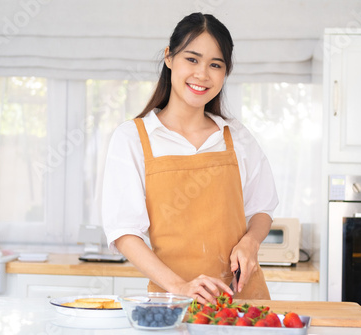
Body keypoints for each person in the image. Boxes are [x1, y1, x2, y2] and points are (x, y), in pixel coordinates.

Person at [102, 12, 278, 304]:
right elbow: (124, 233)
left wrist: (250, 242)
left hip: (243, 301)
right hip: (172, 303)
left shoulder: (236, 136)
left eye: (216, 65)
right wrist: (180, 287)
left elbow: (262, 207)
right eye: (192, 59)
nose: (202, 74)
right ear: (169, 58)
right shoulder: (132, 138)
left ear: (225, 72)